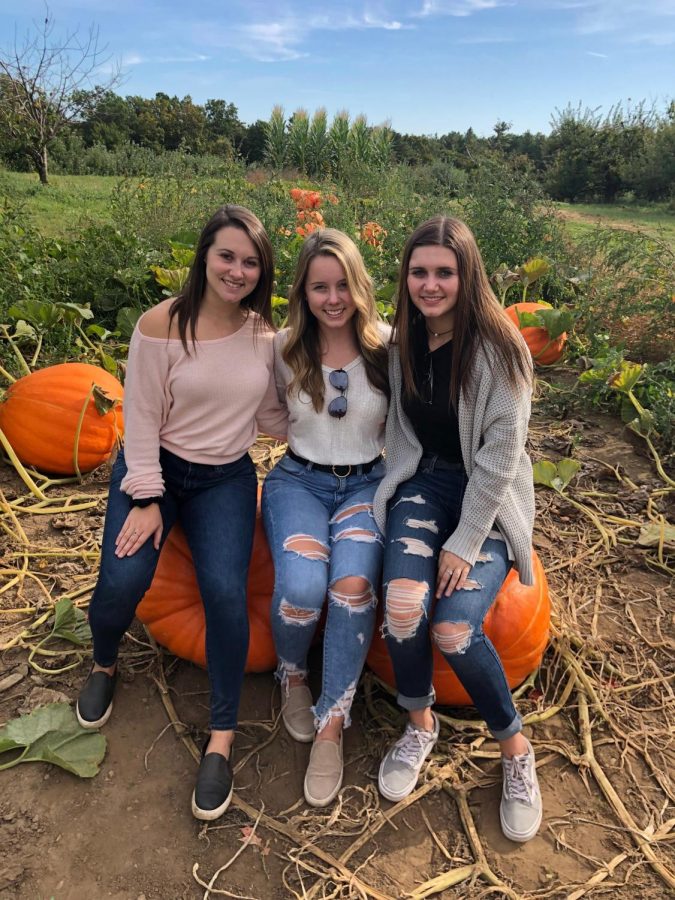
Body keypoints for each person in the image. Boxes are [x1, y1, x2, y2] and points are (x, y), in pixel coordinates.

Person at [76, 205, 287, 822]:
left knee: (225, 592)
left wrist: (334, 424)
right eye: (227, 256)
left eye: (250, 262)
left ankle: (221, 735)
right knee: (124, 578)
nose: (237, 270)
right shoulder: (161, 325)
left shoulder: (264, 336)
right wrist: (145, 497)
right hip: (157, 468)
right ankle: (104, 661)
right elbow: (138, 417)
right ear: (205, 256)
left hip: (224, 477)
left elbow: (270, 417)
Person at [373, 215, 542, 843]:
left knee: (452, 626)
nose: (430, 283)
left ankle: (514, 748)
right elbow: (401, 430)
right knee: (403, 605)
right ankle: (419, 724)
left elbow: (501, 457)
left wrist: (466, 541)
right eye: (419, 271)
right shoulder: (401, 344)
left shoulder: (503, 351)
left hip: (488, 500)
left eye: (444, 271)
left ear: (467, 276)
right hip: (427, 482)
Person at [262, 228, 390, 807]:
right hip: (299, 481)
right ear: (304, 291)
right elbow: (240, 399)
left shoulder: (389, 346)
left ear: (358, 286)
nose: (332, 297)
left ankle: (332, 722)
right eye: (319, 287)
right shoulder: (283, 346)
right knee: (301, 588)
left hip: (367, 484)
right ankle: (290, 670)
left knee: (352, 585)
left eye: (342, 284)